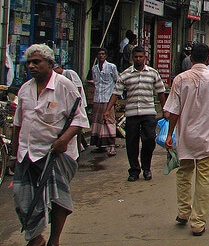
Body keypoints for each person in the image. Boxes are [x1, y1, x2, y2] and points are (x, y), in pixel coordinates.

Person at [11, 44, 90, 246]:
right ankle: (36, 237)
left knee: (58, 200)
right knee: (22, 199)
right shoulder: (25, 89)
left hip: (56, 154)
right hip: (26, 153)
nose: (31, 66)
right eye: (29, 62)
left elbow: (80, 120)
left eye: (36, 62)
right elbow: (18, 124)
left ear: (50, 64)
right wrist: (13, 154)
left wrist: (63, 140)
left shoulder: (64, 86)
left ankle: (54, 240)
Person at [164, 43, 209, 237]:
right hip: (206, 137)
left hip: (185, 136)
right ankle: (198, 221)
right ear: (207, 59)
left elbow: (173, 111)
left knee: (184, 173)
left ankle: (183, 211)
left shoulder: (180, 79)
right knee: (205, 178)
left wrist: (170, 134)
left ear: (191, 59)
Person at [104, 46, 167, 181]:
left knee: (149, 140)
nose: (138, 59)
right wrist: (108, 109)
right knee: (131, 143)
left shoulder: (153, 73)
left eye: (140, 57)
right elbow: (116, 92)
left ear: (145, 57)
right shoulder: (125, 75)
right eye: (136, 57)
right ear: (132, 58)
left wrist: (165, 110)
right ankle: (134, 170)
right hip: (132, 113)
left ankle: (146, 168)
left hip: (148, 112)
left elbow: (161, 92)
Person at [90, 48, 119, 156]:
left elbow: (117, 81)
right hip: (98, 98)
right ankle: (100, 145)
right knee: (98, 121)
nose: (101, 56)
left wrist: (116, 98)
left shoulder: (111, 67)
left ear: (106, 56)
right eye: (99, 54)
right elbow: (95, 82)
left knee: (109, 121)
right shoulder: (94, 69)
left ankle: (112, 146)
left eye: (103, 54)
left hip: (108, 98)